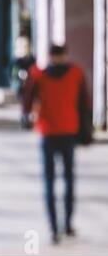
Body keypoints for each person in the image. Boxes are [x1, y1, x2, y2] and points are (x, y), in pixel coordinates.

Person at [23, 45, 91, 245]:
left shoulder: (38, 74)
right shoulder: (75, 73)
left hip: (50, 132)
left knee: (51, 181)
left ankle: (58, 226)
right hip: (65, 131)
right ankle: (62, 225)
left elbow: (27, 99)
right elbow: (84, 103)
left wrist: (27, 117)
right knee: (66, 179)